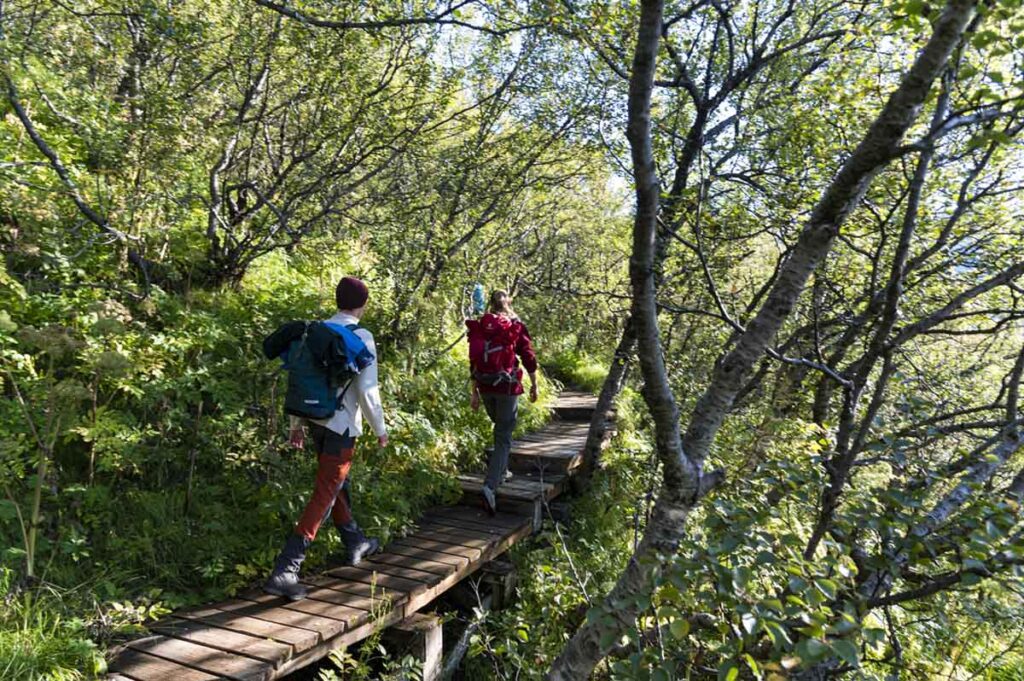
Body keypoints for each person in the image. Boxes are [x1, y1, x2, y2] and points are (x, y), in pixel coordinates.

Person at [263, 276, 389, 601]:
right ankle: (286, 569)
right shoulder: (361, 335)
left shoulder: (314, 331)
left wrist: (296, 424)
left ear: (337, 300)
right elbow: (366, 390)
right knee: (325, 491)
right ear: (363, 304)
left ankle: (355, 541)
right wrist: (380, 429)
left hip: (314, 420)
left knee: (334, 484)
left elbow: (301, 379)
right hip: (341, 425)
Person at [467, 290, 538, 514]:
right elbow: (527, 355)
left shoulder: (482, 325)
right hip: (507, 387)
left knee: (500, 430)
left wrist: (474, 392)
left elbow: (474, 359)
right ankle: (490, 486)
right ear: (509, 303)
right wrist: (534, 383)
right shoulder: (514, 324)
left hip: (485, 385)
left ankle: (503, 471)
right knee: (503, 437)